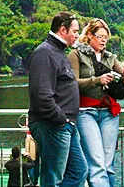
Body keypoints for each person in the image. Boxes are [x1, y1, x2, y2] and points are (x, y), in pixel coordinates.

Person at [68, 18, 124, 187]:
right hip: (86, 112)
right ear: (89, 35)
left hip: (109, 113)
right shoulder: (76, 54)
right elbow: (72, 83)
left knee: (108, 165)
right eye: (100, 36)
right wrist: (98, 80)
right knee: (97, 164)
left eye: (106, 37)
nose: (104, 40)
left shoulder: (110, 58)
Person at [28, 12, 88, 187]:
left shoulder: (58, 52)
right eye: (75, 31)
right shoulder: (45, 53)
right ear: (63, 30)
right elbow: (41, 96)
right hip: (54, 125)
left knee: (79, 171)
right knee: (52, 177)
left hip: (66, 125)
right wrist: (62, 120)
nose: (77, 36)